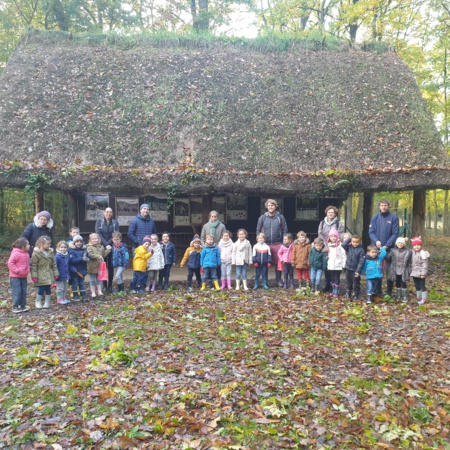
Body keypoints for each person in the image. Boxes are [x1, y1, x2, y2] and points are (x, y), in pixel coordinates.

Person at [368, 199, 399, 295]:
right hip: (376, 249)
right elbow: (371, 232)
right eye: (382, 205)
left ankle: (389, 292)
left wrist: (387, 245)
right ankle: (377, 290)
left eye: (385, 205)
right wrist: (376, 241)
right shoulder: (375, 218)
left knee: (389, 270)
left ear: (388, 206)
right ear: (379, 206)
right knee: (377, 269)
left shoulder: (394, 218)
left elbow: (395, 233)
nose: (384, 207)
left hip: (389, 249)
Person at [256, 199, 288, 287]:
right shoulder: (262, 218)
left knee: (279, 263)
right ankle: (265, 282)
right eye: (269, 205)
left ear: (275, 206)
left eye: (272, 205)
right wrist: (258, 241)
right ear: (266, 207)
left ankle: (278, 281)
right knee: (265, 263)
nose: (270, 207)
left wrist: (284, 242)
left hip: (277, 243)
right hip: (265, 244)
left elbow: (285, 230)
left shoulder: (280, 217)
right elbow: (258, 230)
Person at [317, 206, 344, 293]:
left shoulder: (338, 223)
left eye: (332, 212)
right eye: (329, 212)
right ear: (326, 213)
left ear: (335, 213)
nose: (330, 214)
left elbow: (340, 234)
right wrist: (325, 243)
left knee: (335, 267)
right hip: (325, 246)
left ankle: (335, 286)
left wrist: (334, 242)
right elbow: (320, 233)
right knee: (327, 266)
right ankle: (327, 284)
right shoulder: (322, 222)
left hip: (335, 247)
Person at [95, 207, 119, 292]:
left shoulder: (115, 222)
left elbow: (116, 234)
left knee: (111, 267)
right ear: (104, 213)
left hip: (112, 247)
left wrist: (109, 244)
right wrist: (106, 244)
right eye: (107, 212)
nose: (108, 214)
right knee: (103, 266)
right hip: (102, 247)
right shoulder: (99, 222)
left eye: (110, 212)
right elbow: (98, 234)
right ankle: (104, 286)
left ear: (112, 214)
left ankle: (110, 286)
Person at [31, 236, 59, 309]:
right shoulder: (36, 254)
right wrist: (34, 276)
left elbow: (54, 264)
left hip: (49, 273)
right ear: (41, 244)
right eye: (47, 244)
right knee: (41, 289)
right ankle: (38, 301)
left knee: (48, 289)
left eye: (49, 244)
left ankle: (47, 302)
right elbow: (34, 266)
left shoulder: (50, 252)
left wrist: (56, 273)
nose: (49, 245)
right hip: (40, 274)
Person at [8, 237, 30, 313]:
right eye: (27, 244)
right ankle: (15, 306)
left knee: (24, 291)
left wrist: (27, 270)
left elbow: (27, 264)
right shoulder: (15, 253)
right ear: (23, 246)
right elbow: (10, 263)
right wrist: (17, 271)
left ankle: (23, 306)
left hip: (23, 276)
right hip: (15, 277)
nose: (29, 246)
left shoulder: (27, 254)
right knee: (17, 291)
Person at [386, 237, 412, 302]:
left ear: (404, 244)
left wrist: (409, 270)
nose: (400, 244)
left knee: (403, 282)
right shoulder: (393, 250)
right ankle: (398, 295)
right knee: (397, 282)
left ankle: (404, 296)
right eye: (398, 243)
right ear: (396, 243)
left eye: (401, 243)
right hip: (395, 268)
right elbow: (387, 259)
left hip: (404, 269)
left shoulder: (408, 251)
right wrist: (388, 254)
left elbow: (409, 262)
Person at [86, 233, 111, 298]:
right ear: (90, 240)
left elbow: (103, 255)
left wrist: (108, 250)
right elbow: (90, 255)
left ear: (98, 239)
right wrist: (98, 256)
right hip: (92, 266)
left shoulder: (101, 247)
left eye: (96, 239)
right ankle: (93, 292)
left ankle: (99, 291)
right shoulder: (89, 247)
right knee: (92, 279)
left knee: (99, 279)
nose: (95, 240)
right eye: (93, 239)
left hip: (99, 266)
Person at [342, 234, 366, 301]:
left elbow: (361, 261)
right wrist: (349, 238)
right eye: (353, 242)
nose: (355, 244)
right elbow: (343, 244)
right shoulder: (349, 247)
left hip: (355, 270)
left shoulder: (361, 250)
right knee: (348, 282)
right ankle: (348, 293)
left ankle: (356, 294)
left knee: (356, 283)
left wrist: (358, 271)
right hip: (348, 268)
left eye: (357, 242)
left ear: (360, 242)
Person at [68, 235, 89, 301]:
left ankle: (83, 295)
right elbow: (72, 261)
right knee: (75, 283)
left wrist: (87, 258)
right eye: (77, 242)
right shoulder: (72, 251)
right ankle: (75, 296)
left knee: (81, 283)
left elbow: (87, 257)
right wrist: (82, 258)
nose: (79, 243)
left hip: (82, 270)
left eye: (80, 242)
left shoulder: (84, 250)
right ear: (74, 243)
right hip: (75, 271)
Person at [327, 228, 346, 298]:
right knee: (332, 278)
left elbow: (343, 255)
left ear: (337, 237)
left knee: (336, 278)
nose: (333, 238)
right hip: (331, 265)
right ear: (329, 237)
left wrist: (343, 264)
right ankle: (333, 289)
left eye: (335, 236)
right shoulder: (328, 245)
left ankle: (336, 291)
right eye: (331, 236)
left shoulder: (340, 245)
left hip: (338, 265)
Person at [410, 236, 430, 305]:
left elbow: (425, 264)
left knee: (422, 285)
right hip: (414, 272)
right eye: (415, 245)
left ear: (421, 246)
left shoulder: (423, 253)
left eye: (418, 245)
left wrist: (423, 273)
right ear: (412, 246)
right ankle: (418, 297)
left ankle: (424, 299)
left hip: (421, 273)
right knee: (417, 285)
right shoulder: (412, 253)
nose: (416, 247)